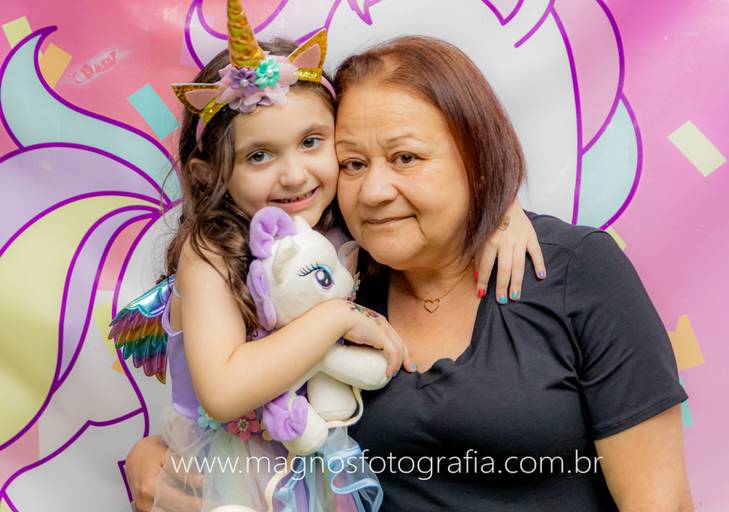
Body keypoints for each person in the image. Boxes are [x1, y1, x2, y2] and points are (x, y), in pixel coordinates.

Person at [116, 3, 547, 511]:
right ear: (209, 174)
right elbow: (225, 391)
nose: (294, 175)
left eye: (311, 142)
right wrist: (336, 318)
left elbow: (435, 198)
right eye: (259, 155)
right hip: (229, 480)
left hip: (314, 470)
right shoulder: (209, 253)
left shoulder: (340, 228)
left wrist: (502, 210)